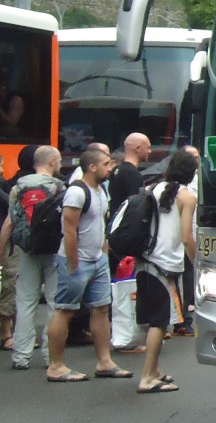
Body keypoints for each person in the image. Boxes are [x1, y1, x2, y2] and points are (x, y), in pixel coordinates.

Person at [45, 147, 128, 383]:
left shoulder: (101, 189)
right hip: (77, 260)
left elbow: (100, 222)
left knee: (101, 308)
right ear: (92, 167)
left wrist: (102, 252)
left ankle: (105, 362)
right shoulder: (76, 192)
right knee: (66, 309)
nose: (110, 168)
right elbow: (69, 230)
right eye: (106, 164)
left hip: (97, 260)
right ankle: (56, 366)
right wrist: (73, 262)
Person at [135, 149, 197, 394]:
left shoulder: (155, 189)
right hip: (166, 264)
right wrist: (198, 262)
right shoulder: (187, 197)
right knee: (160, 323)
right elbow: (186, 237)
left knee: (154, 321)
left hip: (146, 259)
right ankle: (148, 377)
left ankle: (155, 370)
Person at [2, 146, 63, 369]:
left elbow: (9, 223)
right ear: (52, 162)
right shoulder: (58, 187)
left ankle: (21, 356)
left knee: (25, 302)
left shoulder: (18, 188)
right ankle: (50, 355)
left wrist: (1, 253)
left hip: (26, 250)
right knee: (55, 303)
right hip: (54, 250)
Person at [0, 143, 37, 351]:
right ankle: (7, 333)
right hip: (12, 243)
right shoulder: (16, 188)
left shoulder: (11, 184)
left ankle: (12, 331)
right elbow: (9, 219)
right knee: (10, 284)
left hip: (11, 242)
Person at [172, 144, 201, 337]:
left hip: (192, 235)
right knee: (182, 281)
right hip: (178, 241)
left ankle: (183, 319)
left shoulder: (200, 181)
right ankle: (181, 320)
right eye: (193, 158)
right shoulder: (180, 192)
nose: (197, 161)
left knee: (187, 282)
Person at [108, 133, 151, 217]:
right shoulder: (132, 174)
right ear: (138, 148)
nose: (150, 151)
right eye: (148, 148)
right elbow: (136, 206)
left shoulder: (117, 169)